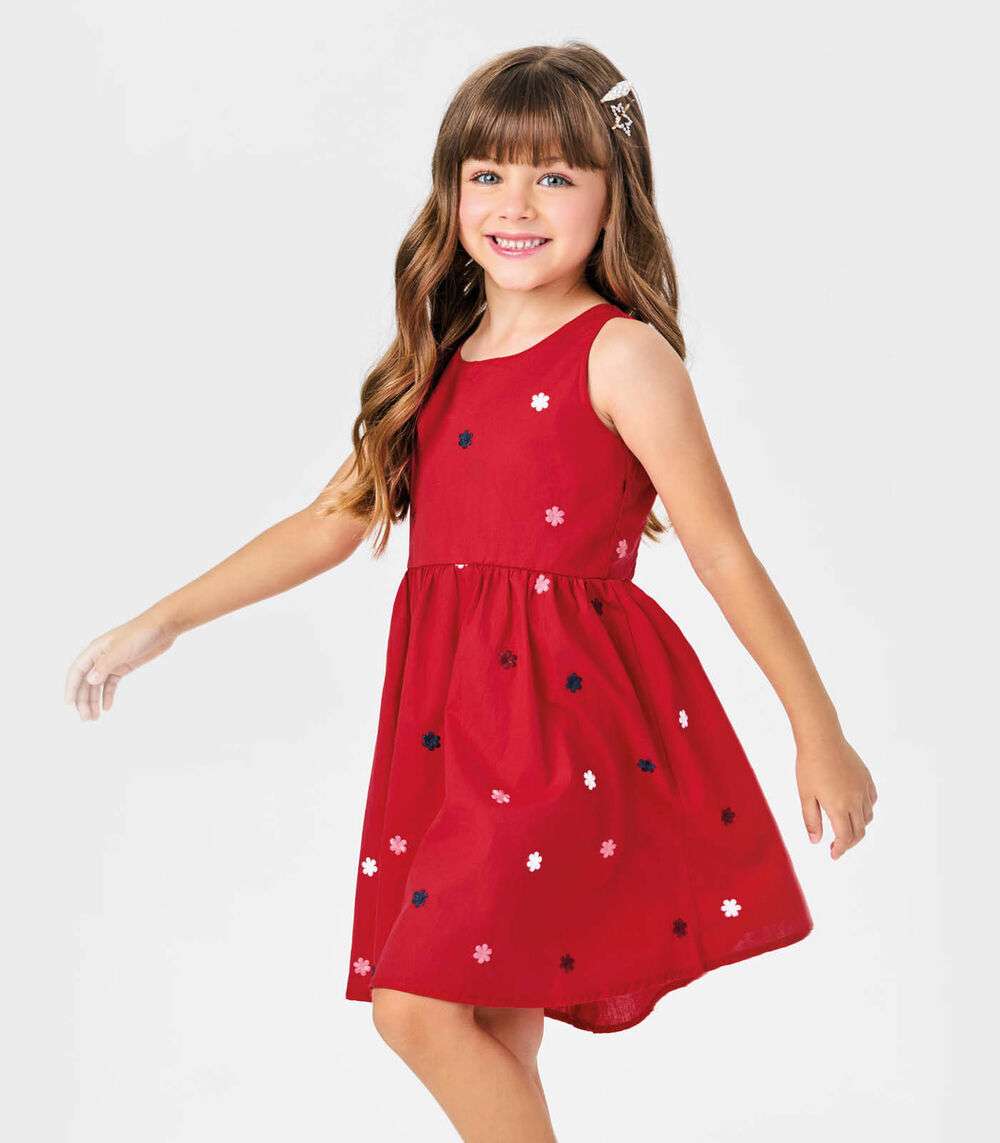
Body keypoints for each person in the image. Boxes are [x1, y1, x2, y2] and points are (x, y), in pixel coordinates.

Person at [65, 41, 878, 1143]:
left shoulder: (620, 355)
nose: (515, 204)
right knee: (490, 1025)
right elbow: (333, 519)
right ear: (451, 190)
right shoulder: (436, 359)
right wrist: (160, 621)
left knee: (413, 1008)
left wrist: (817, 732)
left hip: (562, 727)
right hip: (454, 727)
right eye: (487, 173)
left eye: (555, 175)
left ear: (614, 196)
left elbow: (723, 552)